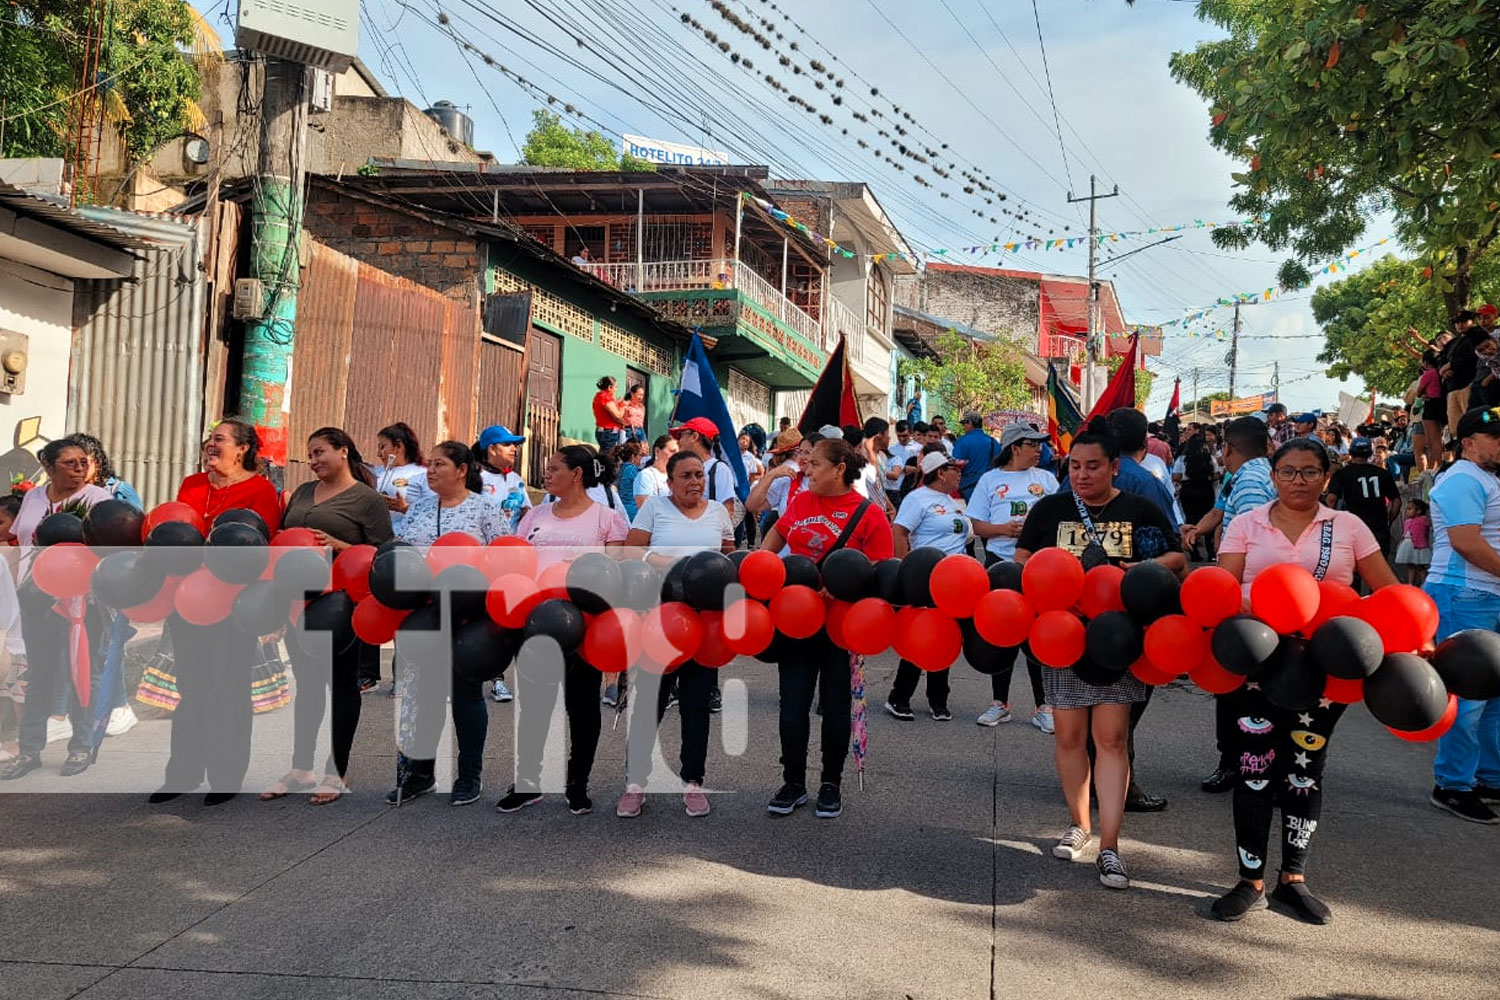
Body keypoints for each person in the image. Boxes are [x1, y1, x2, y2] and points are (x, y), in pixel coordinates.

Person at [1211, 437, 1398, 922]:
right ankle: (1248, 878)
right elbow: (1223, 590)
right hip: (1258, 663)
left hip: (1323, 670)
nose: (1299, 481)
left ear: (1326, 477)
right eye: (1289, 472)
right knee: (1253, 768)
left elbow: (1387, 591)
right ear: (1273, 477)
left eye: (1310, 472)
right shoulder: (1246, 525)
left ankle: (1292, 878)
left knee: (1303, 769)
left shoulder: (1349, 526)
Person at [1014, 419, 1186, 890]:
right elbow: (1023, 558)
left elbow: (1177, 557)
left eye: (1093, 466)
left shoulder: (1139, 507)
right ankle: (1079, 824)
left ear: (1114, 467)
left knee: (1111, 739)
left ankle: (1110, 846)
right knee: (1069, 737)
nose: (1082, 475)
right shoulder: (1050, 509)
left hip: (1118, 639)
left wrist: (1140, 568)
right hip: (1062, 637)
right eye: (1074, 466)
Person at [139, 421, 282, 804]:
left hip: (235, 602)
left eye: (219, 439)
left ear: (243, 448)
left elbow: (260, 545)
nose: (210, 445)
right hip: (187, 598)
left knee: (229, 687)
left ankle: (226, 776)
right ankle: (181, 774)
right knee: (190, 687)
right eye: (209, 440)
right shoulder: (192, 485)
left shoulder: (261, 489)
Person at [759, 437, 893, 820]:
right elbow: (779, 534)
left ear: (839, 469)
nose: (807, 469)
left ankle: (830, 784)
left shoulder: (869, 514)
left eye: (815, 463)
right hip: (797, 619)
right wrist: (762, 564)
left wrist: (839, 586)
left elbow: (881, 571)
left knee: (835, 708)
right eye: (806, 462)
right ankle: (793, 782)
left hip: (842, 626)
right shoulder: (801, 501)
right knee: (793, 707)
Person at [262, 428, 393, 805]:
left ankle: (336, 771)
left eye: (320, 452)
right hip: (297, 602)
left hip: (340, 604)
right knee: (307, 686)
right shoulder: (303, 493)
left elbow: (385, 556)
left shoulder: (367, 500)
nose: (314, 460)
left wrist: (341, 546)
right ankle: (301, 766)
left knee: (341, 684)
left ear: (343, 451)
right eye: (310, 454)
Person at [498, 445, 629, 816]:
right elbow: (517, 563)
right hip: (536, 623)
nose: (547, 473)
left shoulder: (607, 519)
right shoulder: (534, 516)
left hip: (583, 627)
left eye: (554, 468)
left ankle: (577, 784)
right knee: (535, 708)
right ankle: (527, 783)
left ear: (577, 474)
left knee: (582, 706)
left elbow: (616, 572)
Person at [386, 441, 507, 808]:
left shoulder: (485, 508)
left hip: (469, 617)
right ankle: (420, 773)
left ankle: (469, 776)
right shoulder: (419, 508)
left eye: (440, 464)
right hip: (422, 615)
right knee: (421, 696)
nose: (431, 470)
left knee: (465, 695)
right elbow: (401, 554)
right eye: (429, 465)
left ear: (461, 469)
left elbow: (504, 557)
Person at [617, 450, 735, 819]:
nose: (694, 482)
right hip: (660, 619)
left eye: (699, 474)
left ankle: (693, 782)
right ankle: (636, 784)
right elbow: (629, 551)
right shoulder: (654, 508)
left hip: (705, 625)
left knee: (696, 706)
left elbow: (731, 560)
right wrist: (672, 564)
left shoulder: (718, 512)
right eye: (685, 476)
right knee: (649, 705)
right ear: (669, 482)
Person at [0, 438, 114, 783]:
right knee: (39, 675)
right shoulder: (34, 497)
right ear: (48, 467)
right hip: (36, 596)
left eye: (83, 463)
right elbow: (21, 543)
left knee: (84, 671)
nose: (80, 470)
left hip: (82, 600)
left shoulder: (98, 500)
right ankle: (31, 749)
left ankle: (82, 745)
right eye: (70, 464)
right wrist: (19, 590)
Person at [1424, 407, 1500, 825]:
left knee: (1494, 694)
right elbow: (1467, 542)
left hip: (1485, 594)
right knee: (1469, 695)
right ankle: (1452, 784)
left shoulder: (1486, 479)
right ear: (1468, 442)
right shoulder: (1463, 478)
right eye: (1495, 437)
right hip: (1463, 594)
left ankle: (1488, 777)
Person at [967, 422, 1058, 730]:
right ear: (1015, 448)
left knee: (1036, 636)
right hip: (999, 564)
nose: (1040, 450)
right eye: (1033, 444)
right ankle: (999, 703)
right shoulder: (990, 480)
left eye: (1040, 444)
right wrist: (1003, 530)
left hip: (1039, 568)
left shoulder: (1046, 478)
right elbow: (976, 525)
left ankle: (1043, 706)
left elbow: (1062, 517)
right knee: (1001, 633)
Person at [884, 446, 971, 721]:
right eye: (955, 469)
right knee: (919, 635)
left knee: (945, 636)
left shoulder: (953, 501)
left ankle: (938, 699)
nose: (960, 474)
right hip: (926, 578)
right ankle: (899, 697)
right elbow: (900, 531)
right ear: (940, 472)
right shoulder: (918, 499)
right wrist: (903, 568)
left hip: (954, 583)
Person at [71, 432, 144, 738]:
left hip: (111, 579)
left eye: (81, 463)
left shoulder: (118, 491)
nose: (74, 469)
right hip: (78, 582)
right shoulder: (67, 494)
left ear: (96, 462)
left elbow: (136, 531)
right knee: (81, 648)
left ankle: (120, 707)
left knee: (106, 646)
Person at [1325, 437, 1401, 558]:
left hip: (1351, 527)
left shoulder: (1342, 474)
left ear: (1351, 452)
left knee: (1352, 568)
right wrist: (1389, 520)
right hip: (1378, 528)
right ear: (1370, 452)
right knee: (1378, 567)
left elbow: (1331, 500)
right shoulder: (1382, 473)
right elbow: (1396, 500)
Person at [371, 422, 430, 537]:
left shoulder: (422, 474)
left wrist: (405, 508)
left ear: (398, 446)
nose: (378, 454)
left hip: (404, 537)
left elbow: (432, 512)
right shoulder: (375, 472)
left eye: (382, 447)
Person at [473, 424, 531, 531]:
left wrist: (526, 512)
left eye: (515, 445)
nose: (514, 449)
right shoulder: (475, 477)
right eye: (507, 444)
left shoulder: (515, 479)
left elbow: (526, 508)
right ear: (492, 449)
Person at [951, 412, 999, 502]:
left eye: (964, 423)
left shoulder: (963, 441)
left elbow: (955, 464)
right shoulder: (993, 442)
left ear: (970, 423)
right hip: (990, 486)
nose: (963, 427)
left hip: (968, 487)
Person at [1394, 498, 1432, 587]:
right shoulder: (1407, 521)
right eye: (1407, 509)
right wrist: (1401, 542)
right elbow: (1404, 534)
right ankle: (1410, 583)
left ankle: (1424, 584)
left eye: (1410, 509)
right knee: (1410, 566)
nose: (1407, 511)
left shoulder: (1422, 520)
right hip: (1408, 545)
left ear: (1418, 511)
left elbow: (1428, 525)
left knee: (1420, 567)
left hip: (1418, 546)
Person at [633, 434, 677, 509]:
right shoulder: (645, 476)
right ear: (657, 451)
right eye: (672, 451)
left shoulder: (677, 476)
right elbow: (646, 510)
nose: (676, 456)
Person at [612, 440, 647, 523]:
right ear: (632, 456)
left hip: (623, 510)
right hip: (633, 512)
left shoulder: (622, 468)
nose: (641, 458)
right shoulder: (632, 470)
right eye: (640, 455)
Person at [593, 376, 627, 451]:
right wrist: (623, 406)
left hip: (607, 431)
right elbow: (617, 415)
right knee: (608, 455)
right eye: (616, 387)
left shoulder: (602, 396)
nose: (616, 390)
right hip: (608, 432)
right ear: (610, 387)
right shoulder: (605, 397)